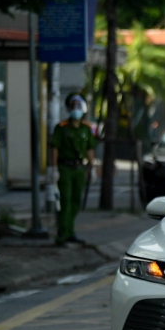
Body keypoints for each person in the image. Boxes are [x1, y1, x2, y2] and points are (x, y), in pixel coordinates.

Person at [49, 93, 97, 245]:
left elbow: (90, 149)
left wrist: (92, 167)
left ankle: (70, 231)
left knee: (76, 201)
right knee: (66, 200)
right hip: (65, 168)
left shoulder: (86, 128)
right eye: (73, 105)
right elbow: (55, 149)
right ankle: (62, 234)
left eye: (78, 105)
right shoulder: (62, 128)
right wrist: (54, 169)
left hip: (79, 169)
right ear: (69, 108)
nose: (76, 108)